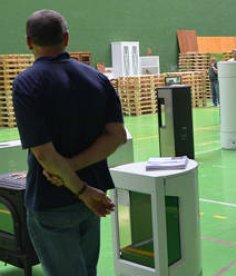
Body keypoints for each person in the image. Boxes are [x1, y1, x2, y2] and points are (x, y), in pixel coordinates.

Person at [12, 10, 126, 276]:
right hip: (95, 198)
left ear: (29, 42)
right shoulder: (97, 78)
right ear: (66, 38)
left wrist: (80, 189)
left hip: (55, 202)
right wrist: (85, 185)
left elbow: (44, 154)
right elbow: (116, 135)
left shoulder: (28, 83)